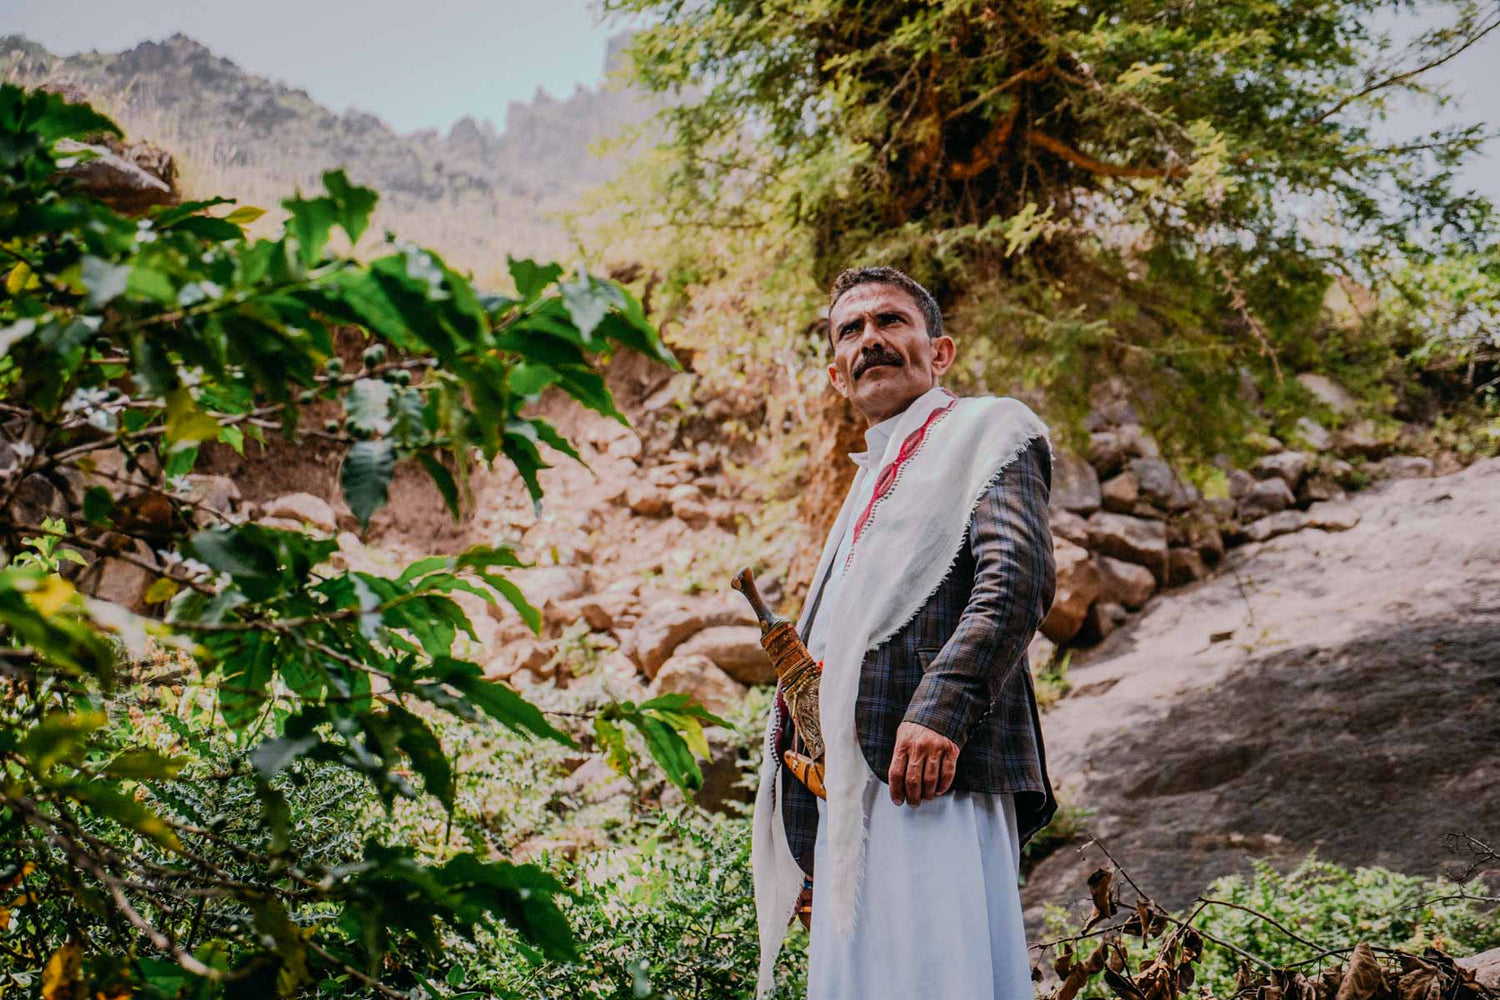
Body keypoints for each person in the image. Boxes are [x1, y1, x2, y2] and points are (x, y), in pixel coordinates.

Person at [750, 266, 1059, 999]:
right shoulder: (869, 481)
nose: (871, 340)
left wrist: (939, 711)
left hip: (933, 780)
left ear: (939, 351)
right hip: (851, 802)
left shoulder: (989, 430)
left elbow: (1016, 578)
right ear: (835, 373)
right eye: (850, 331)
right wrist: (810, 826)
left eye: (891, 322)